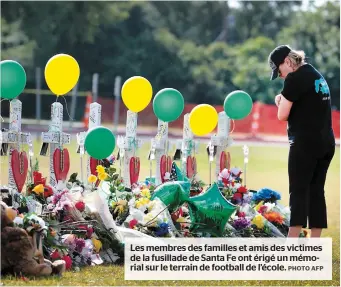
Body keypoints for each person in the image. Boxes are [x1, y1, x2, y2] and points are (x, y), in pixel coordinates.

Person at [268, 45, 335, 238]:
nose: (280, 76)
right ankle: (315, 244)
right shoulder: (314, 73)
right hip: (326, 142)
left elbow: (282, 115)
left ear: (287, 62)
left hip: (304, 144)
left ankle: (291, 244)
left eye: (279, 70)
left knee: (298, 191)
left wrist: (279, 101)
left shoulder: (294, 79)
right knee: (316, 192)